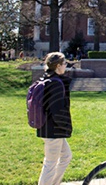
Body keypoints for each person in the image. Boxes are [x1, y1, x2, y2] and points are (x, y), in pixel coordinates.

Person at [37, 52, 73, 185]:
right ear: (58, 66)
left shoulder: (47, 79)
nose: (66, 66)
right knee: (50, 163)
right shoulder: (55, 83)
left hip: (49, 127)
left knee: (66, 156)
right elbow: (57, 110)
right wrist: (65, 127)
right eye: (64, 64)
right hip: (53, 129)